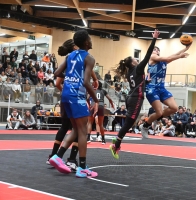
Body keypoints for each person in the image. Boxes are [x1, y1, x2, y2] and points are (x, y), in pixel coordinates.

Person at [49, 30, 99, 178]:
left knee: (77, 129)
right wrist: (96, 100)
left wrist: (70, 77)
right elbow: (85, 81)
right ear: (86, 43)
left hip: (65, 96)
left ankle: (58, 156)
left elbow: (57, 73)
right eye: (90, 38)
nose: (91, 41)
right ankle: (82, 167)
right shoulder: (89, 58)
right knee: (83, 131)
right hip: (77, 96)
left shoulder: (70, 55)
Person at [109, 29, 160, 159]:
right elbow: (148, 55)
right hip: (136, 98)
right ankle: (116, 143)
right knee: (129, 122)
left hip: (131, 97)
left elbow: (137, 82)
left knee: (129, 121)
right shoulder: (137, 69)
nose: (137, 60)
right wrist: (154, 38)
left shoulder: (129, 72)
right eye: (135, 59)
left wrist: (145, 81)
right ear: (133, 63)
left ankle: (117, 142)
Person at [140, 38, 191, 138]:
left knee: (174, 108)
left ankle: (157, 117)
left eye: (158, 50)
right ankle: (145, 125)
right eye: (155, 49)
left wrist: (186, 48)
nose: (157, 51)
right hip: (152, 88)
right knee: (158, 112)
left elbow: (173, 55)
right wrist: (180, 56)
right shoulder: (152, 56)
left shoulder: (163, 60)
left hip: (161, 88)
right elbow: (169, 58)